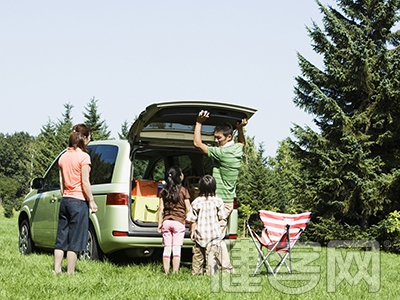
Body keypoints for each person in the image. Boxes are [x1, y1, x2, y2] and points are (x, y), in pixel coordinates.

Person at [193, 110, 248, 273]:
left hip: (220, 202)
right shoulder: (237, 150)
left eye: (219, 138)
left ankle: (221, 268)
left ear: (228, 138)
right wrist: (241, 129)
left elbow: (197, 144)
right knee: (217, 236)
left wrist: (198, 122)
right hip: (228, 201)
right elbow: (242, 143)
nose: (216, 141)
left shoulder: (222, 153)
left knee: (216, 237)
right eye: (215, 138)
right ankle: (224, 267)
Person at [54, 124, 98, 275]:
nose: (90, 140)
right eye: (89, 137)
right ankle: (70, 272)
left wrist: (65, 194)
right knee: (75, 239)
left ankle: (57, 269)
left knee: (61, 237)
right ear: (84, 139)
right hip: (78, 202)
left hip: (65, 200)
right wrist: (91, 201)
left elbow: (61, 183)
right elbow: (85, 181)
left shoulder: (63, 156)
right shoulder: (84, 157)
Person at [186, 175, 228, 275]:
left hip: (200, 236)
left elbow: (192, 219)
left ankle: (196, 274)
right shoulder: (218, 201)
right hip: (214, 236)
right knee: (211, 261)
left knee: (197, 259)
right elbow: (223, 217)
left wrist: (192, 232)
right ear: (214, 187)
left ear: (200, 187)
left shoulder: (196, 201)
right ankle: (210, 275)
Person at [157, 165, 191, 274]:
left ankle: (166, 272)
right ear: (179, 177)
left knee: (167, 248)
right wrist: (189, 222)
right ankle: (175, 272)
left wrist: (159, 223)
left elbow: (160, 209)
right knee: (176, 249)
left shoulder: (163, 191)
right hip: (179, 223)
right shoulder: (183, 191)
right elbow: (188, 208)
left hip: (166, 222)